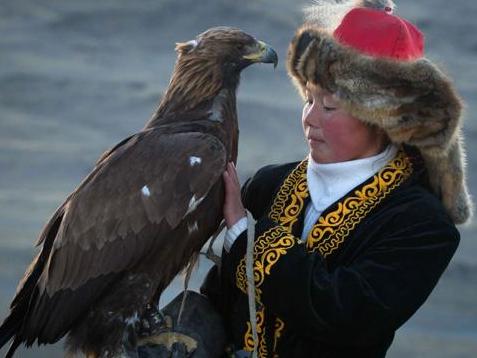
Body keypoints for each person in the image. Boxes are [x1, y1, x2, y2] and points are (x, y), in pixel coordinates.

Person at [201, 2, 472, 357]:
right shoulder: (267, 185)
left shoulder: (422, 225)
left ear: (383, 118)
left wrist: (243, 235)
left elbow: (344, 314)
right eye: (308, 99)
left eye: (329, 107)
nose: (310, 119)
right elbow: (217, 302)